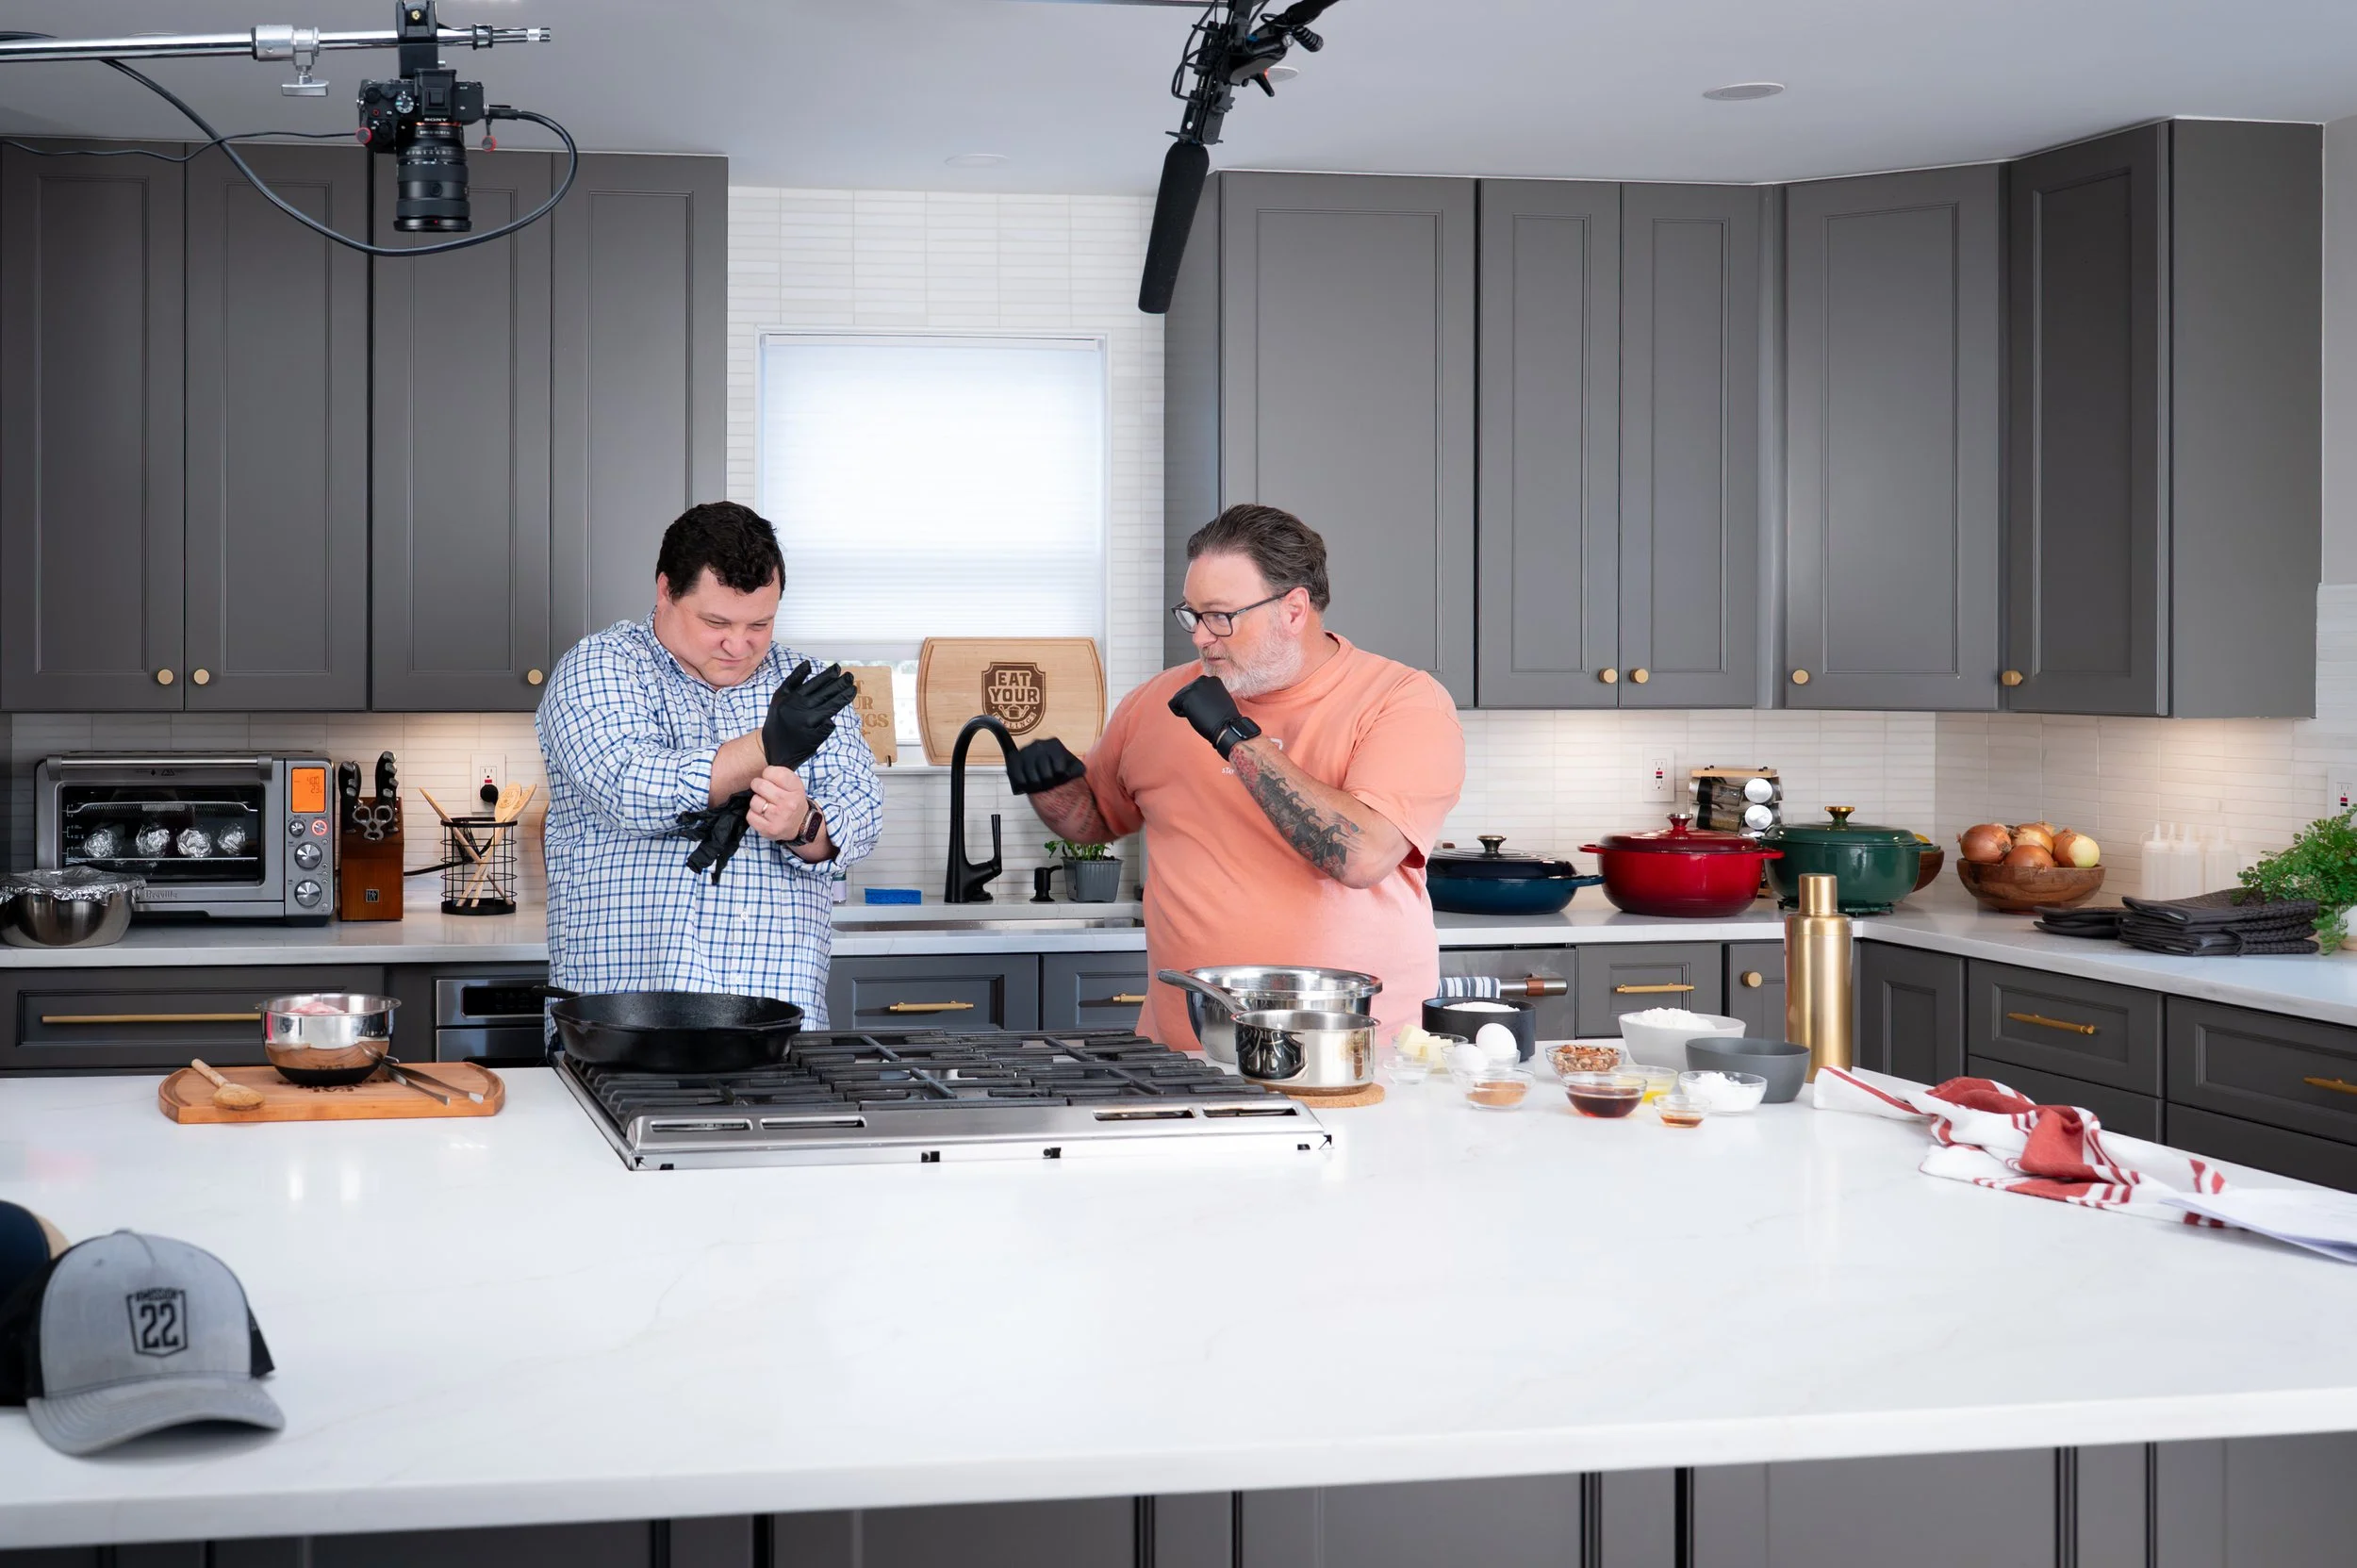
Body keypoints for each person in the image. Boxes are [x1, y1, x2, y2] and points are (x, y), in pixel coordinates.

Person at [1006, 503, 1465, 1047]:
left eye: (1220, 616)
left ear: (1293, 609)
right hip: (1183, 1052)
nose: (1200, 637)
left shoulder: (1403, 700)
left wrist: (1234, 736)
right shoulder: (1156, 702)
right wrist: (1050, 789)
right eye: (1192, 615)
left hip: (1355, 1051)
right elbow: (1095, 821)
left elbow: (1361, 856)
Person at [536, 502, 882, 1024]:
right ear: (665, 591)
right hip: (627, 1026)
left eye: (759, 624)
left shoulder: (803, 684)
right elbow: (631, 787)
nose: (739, 644)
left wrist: (801, 823)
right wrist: (768, 746)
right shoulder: (600, 665)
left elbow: (862, 812)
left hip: (780, 1021)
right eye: (716, 621)